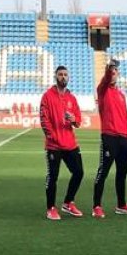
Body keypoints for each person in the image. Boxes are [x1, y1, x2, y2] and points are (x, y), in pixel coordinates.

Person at [92, 59, 127, 218]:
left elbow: (124, 117)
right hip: (109, 136)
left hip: (124, 138)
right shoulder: (102, 90)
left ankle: (121, 205)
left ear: (118, 75)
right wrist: (110, 66)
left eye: (115, 72)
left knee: (122, 174)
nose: (113, 74)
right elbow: (105, 78)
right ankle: (96, 206)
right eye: (111, 72)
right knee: (103, 171)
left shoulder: (121, 95)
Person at [39, 65, 84, 221]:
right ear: (55, 76)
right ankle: (50, 208)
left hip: (70, 143)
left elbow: (78, 120)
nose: (63, 77)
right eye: (60, 74)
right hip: (54, 145)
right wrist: (52, 137)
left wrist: (74, 120)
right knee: (53, 176)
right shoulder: (47, 96)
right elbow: (44, 119)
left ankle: (68, 202)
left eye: (65, 75)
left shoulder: (72, 98)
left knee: (79, 172)